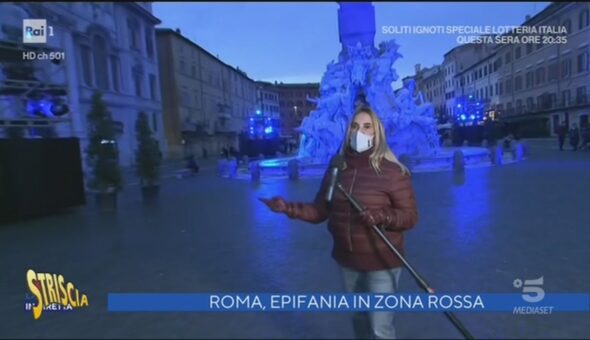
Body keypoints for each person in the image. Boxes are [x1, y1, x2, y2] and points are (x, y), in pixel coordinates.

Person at [260, 106, 419, 339]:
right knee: (359, 320)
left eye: (366, 127)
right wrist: (288, 208)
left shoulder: (393, 172)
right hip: (348, 260)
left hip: (383, 261)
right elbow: (320, 210)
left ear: (377, 134)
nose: (359, 132)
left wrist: (382, 216)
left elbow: (410, 216)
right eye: (354, 126)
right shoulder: (337, 168)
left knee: (379, 328)